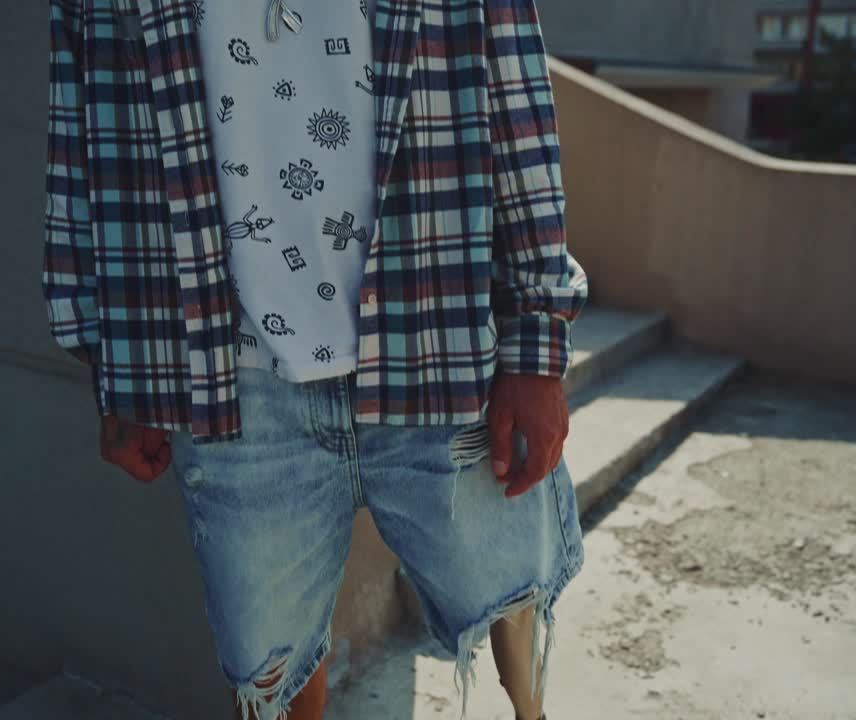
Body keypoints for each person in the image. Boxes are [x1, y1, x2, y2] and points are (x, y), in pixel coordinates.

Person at [42, 1, 589, 718]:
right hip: (235, 373)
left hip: (432, 329)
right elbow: (85, 133)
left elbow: (517, 102)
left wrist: (536, 340)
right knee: (276, 652)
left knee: (509, 586)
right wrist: (116, 366)